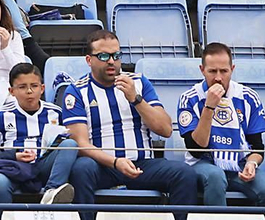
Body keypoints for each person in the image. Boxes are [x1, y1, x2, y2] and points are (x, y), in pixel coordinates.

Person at [62, 28, 198, 217]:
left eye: (116, 55)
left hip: (141, 164)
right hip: (102, 166)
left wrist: (136, 99)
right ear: (89, 60)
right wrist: (116, 162)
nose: (111, 61)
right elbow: (81, 144)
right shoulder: (76, 91)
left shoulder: (139, 82)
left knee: (184, 173)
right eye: (103, 56)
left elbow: (165, 129)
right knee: (81, 168)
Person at [176, 42, 265, 209]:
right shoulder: (189, 98)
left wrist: (251, 163)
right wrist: (209, 107)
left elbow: (258, 147)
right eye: (212, 71)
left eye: (224, 71)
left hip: (238, 163)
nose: (218, 77)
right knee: (216, 177)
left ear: (232, 69)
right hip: (203, 163)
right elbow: (195, 149)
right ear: (202, 70)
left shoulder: (248, 97)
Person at [0, 62, 77, 213]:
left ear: (42, 88)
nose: (29, 91)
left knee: (70, 144)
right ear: (11, 91)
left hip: (44, 167)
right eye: (22, 87)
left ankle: (51, 192)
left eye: (34, 86)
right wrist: (14, 156)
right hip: (13, 169)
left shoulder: (56, 112)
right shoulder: (0, 115)